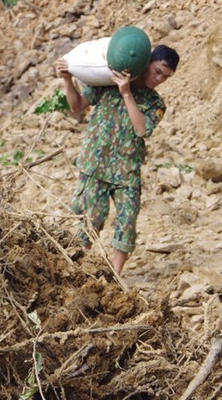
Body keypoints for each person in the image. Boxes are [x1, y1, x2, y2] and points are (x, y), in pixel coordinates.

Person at [54, 43, 180, 275]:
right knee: (90, 219)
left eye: (166, 77)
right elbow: (76, 107)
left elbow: (142, 129)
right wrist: (67, 80)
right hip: (95, 164)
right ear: (147, 63)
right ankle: (78, 270)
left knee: (127, 219)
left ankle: (115, 275)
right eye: (158, 71)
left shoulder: (155, 103)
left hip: (127, 170)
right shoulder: (106, 84)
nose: (159, 79)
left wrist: (127, 94)